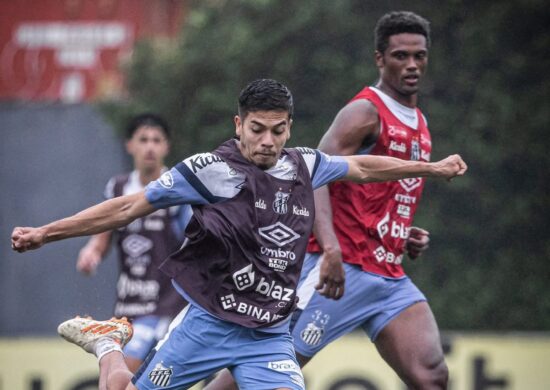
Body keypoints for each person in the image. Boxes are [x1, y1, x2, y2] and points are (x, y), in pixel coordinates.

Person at [12, 78, 466, 390]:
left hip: (268, 335)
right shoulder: (210, 171)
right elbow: (127, 206)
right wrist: (46, 233)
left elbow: (364, 166)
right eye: (257, 130)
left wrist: (431, 167)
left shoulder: (303, 164)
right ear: (238, 125)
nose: (268, 141)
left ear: (290, 126)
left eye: (278, 130)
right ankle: (108, 343)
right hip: (208, 324)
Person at [207, 11, 450, 390]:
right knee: (265, 364)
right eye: (401, 55)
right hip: (339, 269)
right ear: (379, 59)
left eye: (419, 55)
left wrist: (403, 233)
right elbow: (312, 173)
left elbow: (374, 194)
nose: (412, 64)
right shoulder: (365, 112)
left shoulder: (418, 119)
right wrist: (332, 250)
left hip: (387, 275)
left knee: (431, 375)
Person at [75, 113, 190, 373]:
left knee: (128, 369)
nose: (150, 147)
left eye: (156, 140)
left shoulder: (178, 187)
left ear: (166, 146)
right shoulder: (117, 188)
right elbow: (101, 239)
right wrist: (91, 253)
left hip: (166, 305)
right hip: (128, 306)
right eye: (143, 139)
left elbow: (194, 242)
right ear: (130, 145)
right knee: (118, 377)